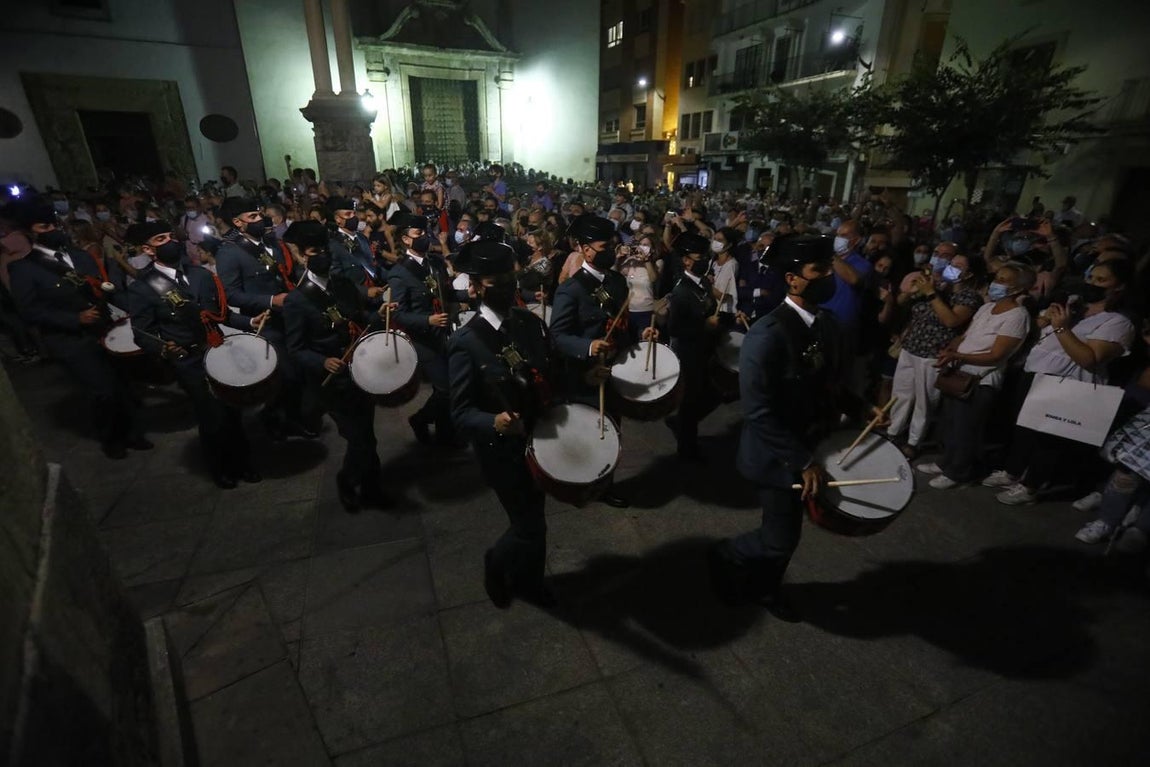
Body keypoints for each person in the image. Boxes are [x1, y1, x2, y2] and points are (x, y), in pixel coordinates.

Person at [709, 233, 874, 619]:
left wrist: (861, 406)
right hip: (778, 456)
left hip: (813, 445)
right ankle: (727, 555)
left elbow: (831, 382)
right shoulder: (767, 336)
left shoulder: (829, 325)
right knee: (781, 538)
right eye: (820, 270)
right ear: (792, 279)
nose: (829, 276)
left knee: (786, 533)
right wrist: (801, 460)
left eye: (829, 268)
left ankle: (765, 588)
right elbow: (758, 410)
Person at [448, 239, 556, 608]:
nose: (508, 289)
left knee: (536, 517)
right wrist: (493, 420)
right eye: (498, 283)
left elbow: (549, 370)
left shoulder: (529, 323)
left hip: (539, 438)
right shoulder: (467, 341)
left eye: (511, 280)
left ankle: (532, 583)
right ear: (476, 287)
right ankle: (496, 563)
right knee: (528, 525)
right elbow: (460, 412)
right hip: (502, 450)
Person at [987, 259, 1137, 504]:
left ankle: (1031, 486)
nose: (1093, 284)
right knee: (1024, 428)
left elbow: (1090, 358)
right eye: (1091, 278)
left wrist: (1062, 328)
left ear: (1119, 287)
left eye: (1102, 280)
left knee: (1049, 438)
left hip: (1067, 384)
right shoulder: (1075, 306)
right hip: (1035, 374)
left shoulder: (1118, 323)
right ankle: (1012, 472)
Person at [125, 221, 261, 486]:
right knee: (212, 416)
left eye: (171, 236)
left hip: (218, 350)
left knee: (233, 410)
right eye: (161, 239)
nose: (171, 242)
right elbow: (142, 332)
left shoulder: (200, 275)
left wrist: (251, 323)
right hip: (189, 359)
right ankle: (220, 467)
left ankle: (243, 462)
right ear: (147, 249)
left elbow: (222, 314)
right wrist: (164, 347)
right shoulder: (143, 287)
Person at [7, 201, 144, 457]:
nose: (52, 229)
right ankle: (112, 439)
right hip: (70, 340)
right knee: (102, 391)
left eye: (54, 224)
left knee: (122, 385)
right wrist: (74, 319)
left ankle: (134, 433)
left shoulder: (81, 257)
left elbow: (103, 289)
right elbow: (29, 311)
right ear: (30, 232)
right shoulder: (25, 269)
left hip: (105, 330)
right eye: (43, 226)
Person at [282, 220, 392, 512]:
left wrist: (379, 313)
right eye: (315, 251)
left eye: (325, 250)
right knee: (359, 438)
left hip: (359, 372)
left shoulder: (343, 285)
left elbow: (360, 317)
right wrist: (322, 361)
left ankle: (371, 487)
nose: (324, 256)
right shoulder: (296, 300)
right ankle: (348, 479)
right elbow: (295, 349)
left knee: (366, 435)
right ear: (303, 256)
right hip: (331, 384)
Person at [550, 215, 656, 508]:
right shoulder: (571, 289)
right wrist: (587, 345)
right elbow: (557, 336)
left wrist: (640, 333)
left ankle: (606, 483)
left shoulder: (617, 281)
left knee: (612, 429)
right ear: (585, 250)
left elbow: (622, 321)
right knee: (588, 431)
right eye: (603, 246)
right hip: (585, 374)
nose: (610, 250)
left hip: (614, 369)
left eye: (612, 245)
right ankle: (579, 479)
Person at [917, 263, 1035, 489]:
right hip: (959, 372)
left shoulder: (1017, 316)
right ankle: (945, 463)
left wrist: (959, 357)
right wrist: (951, 350)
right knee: (950, 423)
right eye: (997, 277)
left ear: (1019, 288)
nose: (996, 283)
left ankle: (958, 472)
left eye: (1003, 280)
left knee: (966, 429)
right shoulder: (987, 308)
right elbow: (966, 335)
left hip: (980, 380)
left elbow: (997, 355)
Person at [214, 196, 311, 439]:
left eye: (260, 214)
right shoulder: (230, 252)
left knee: (299, 370)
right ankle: (272, 417)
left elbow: (284, 275)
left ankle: (293, 418)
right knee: (284, 373)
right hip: (264, 320)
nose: (261, 219)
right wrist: (269, 301)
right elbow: (232, 294)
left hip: (289, 315)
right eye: (253, 217)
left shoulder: (270, 242)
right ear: (238, 222)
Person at [887, 254, 983, 459]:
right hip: (911, 347)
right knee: (901, 394)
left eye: (958, 266)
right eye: (950, 264)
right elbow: (902, 302)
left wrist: (931, 294)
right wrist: (913, 291)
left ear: (969, 273)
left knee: (924, 401)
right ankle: (893, 432)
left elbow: (951, 321)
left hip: (933, 354)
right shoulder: (937, 287)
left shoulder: (968, 297)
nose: (950, 268)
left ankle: (914, 441)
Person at [388, 212, 458, 446]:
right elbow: (398, 313)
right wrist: (428, 321)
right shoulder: (400, 272)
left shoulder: (435, 263)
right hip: (423, 338)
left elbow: (446, 293)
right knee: (445, 388)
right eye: (419, 234)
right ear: (406, 239)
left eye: (425, 233)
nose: (425, 238)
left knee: (450, 386)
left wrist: (468, 294)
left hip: (444, 331)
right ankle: (420, 419)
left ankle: (445, 433)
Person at [666, 233, 721, 460]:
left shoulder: (705, 283)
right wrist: (704, 326)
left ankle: (680, 424)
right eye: (700, 257)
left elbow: (710, 308)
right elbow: (674, 329)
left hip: (705, 350)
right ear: (687, 261)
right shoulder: (681, 292)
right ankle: (687, 448)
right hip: (689, 354)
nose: (705, 260)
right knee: (691, 401)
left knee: (714, 394)